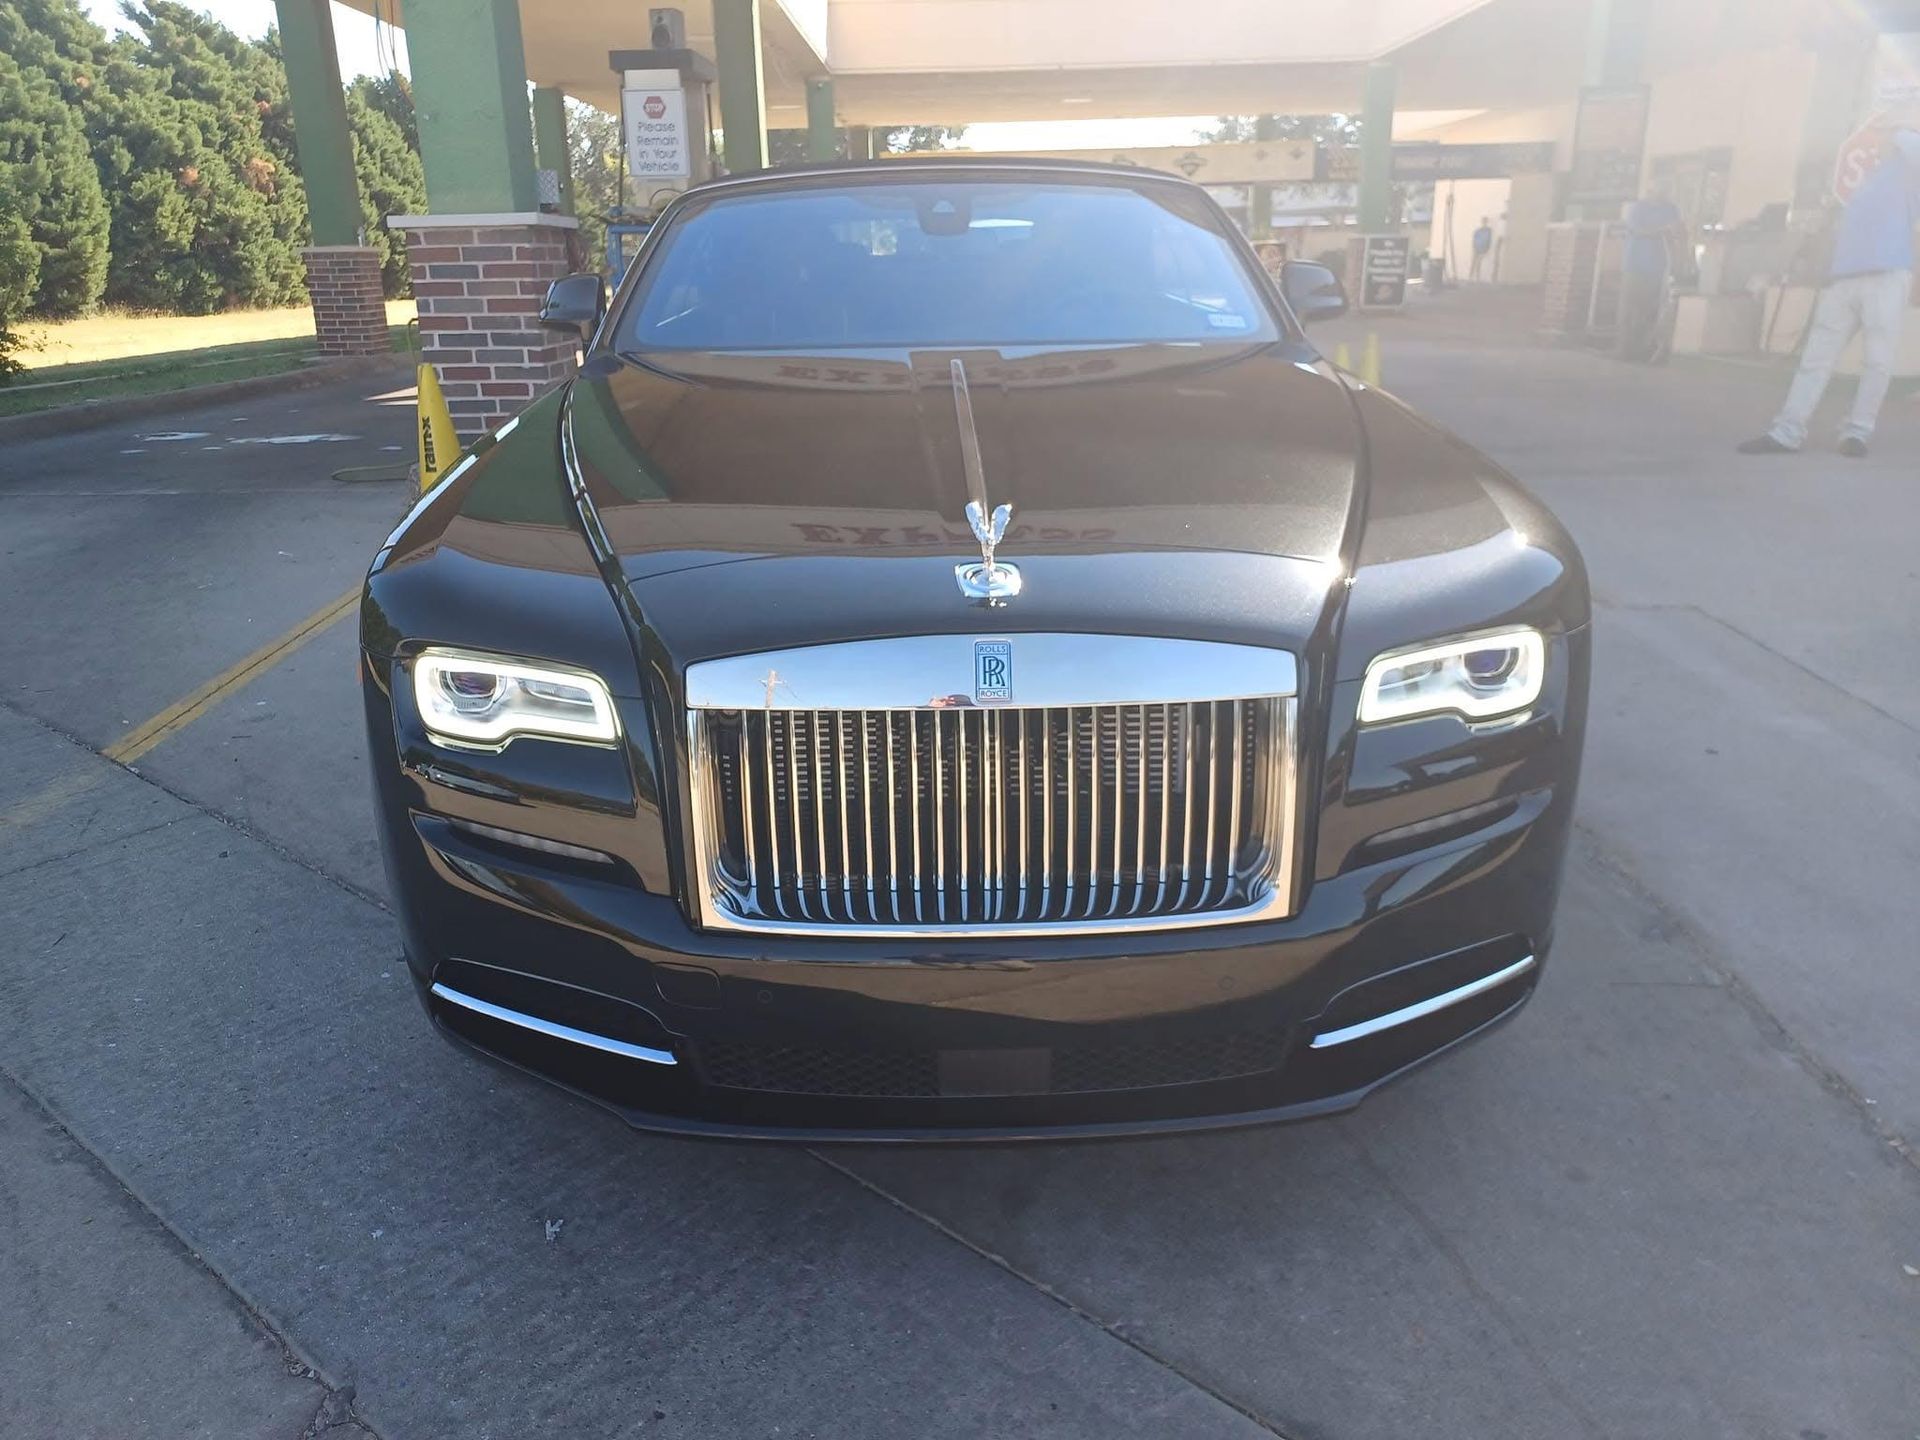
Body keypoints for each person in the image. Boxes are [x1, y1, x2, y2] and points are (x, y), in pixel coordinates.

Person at [1741, 119, 1920, 458]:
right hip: (1844, 280)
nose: (1876, 140)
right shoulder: (1865, 181)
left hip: (1887, 276)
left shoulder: (1910, 171)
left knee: (1877, 362)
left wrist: (1896, 128)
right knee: (1815, 359)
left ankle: (1857, 432)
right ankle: (1786, 432)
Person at [1617, 181, 1687, 362]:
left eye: (1665, 189)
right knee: (1630, 309)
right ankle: (1625, 350)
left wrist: (1681, 257)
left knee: (1651, 310)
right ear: (1650, 190)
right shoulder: (1637, 208)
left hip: (1658, 266)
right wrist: (1663, 230)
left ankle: (1645, 350)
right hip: (1634, 265)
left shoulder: (1671, 209)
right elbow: (1639, 230)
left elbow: (1679, 230)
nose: (1662, 193)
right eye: (1659, 189)